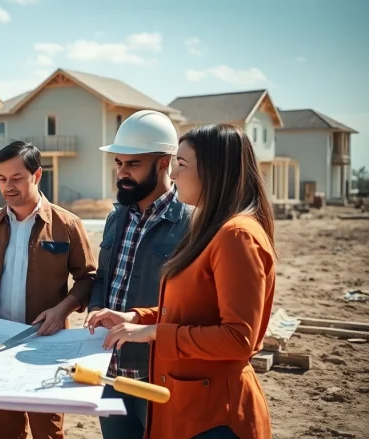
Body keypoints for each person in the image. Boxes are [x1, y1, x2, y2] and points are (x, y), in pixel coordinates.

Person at [87, 123, 277, 439]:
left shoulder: (236, 235)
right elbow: (190, 309)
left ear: (213, 171)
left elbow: (239, 338)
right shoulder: (215, 229)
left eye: (182, 164)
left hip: (215, 415)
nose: (174, 175)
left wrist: (153, 332)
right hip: (193, 402)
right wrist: (136, 317)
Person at [0, 140, 97, 439]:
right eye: (2, 179)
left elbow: (88, 278)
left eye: (16, 178)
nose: (8, 187)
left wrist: (61, 311)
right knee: (8, 433)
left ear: (37, 175)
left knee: (47, 432)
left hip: (45, 346)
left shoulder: (68, 224)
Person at [83, 110, 191, 439]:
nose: (122, 173)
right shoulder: (116, 218)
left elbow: (190, 305)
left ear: (163, 163)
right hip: (110, 369)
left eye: (133, 164)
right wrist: (95, 313)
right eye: (119, 163)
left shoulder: (191, 224)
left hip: (158, 373)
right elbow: (103, 278)